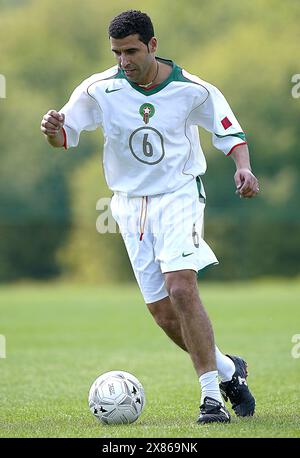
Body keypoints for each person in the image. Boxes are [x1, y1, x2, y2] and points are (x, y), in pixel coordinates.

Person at [41, 10, 259, 424]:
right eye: (118, 53)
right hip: (128, 205)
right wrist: (51, 129)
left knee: (181, 288)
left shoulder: (192, 89)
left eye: (132, 51)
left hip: (179, 194)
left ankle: (211, 399)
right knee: (162, 314)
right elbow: (63, 136)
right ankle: (229, 371)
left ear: (153, 46)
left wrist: (242, 167)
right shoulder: (99, 89)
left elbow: (230, 131)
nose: (124, 60)